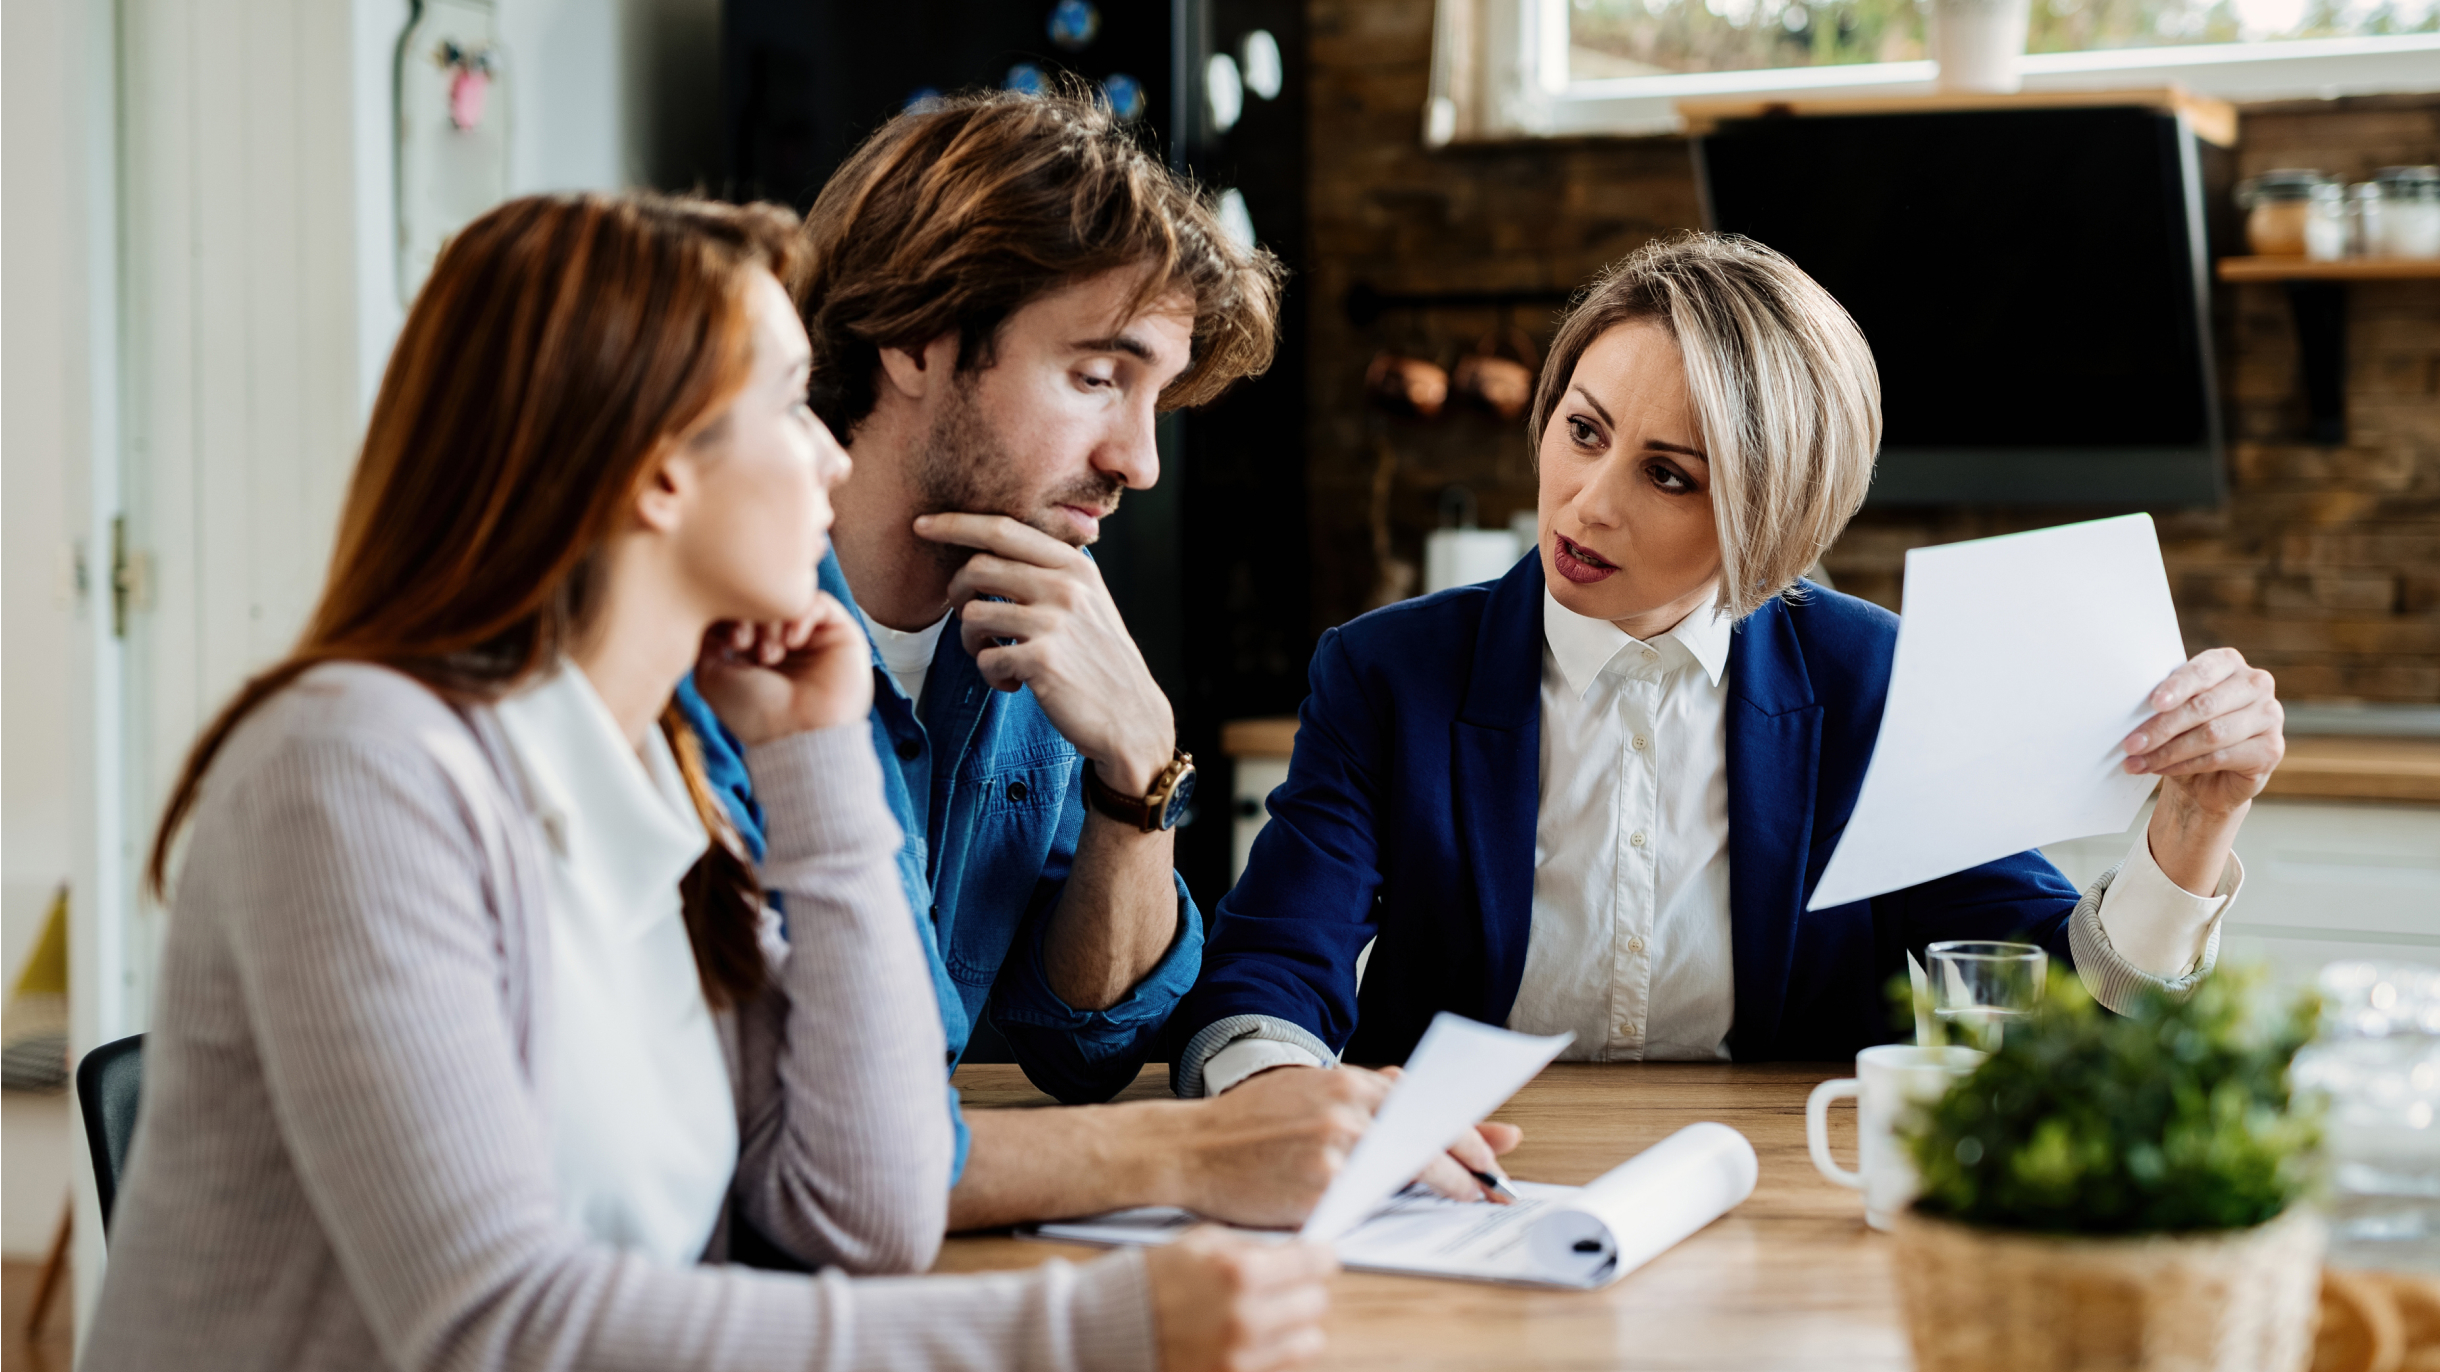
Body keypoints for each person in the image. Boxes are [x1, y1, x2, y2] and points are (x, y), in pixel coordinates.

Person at [84, 191, 1334, 1372]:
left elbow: (867, 1203)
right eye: (792, 403)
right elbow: (497, 1326)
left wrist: (820, 758)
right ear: (658, 468)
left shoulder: (665, 762)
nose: (834, 461)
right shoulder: (358, 769)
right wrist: (1075, 1331)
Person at [1166, 233, 2283, 1100]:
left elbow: (2061, 992)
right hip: (1452, 1191)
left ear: (1773, 518)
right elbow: (1264, 979)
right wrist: (1289, 1105)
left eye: (1669, 475)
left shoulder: (1870, 683)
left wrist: (2191, 831)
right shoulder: (1386, 673)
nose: (1587, 501)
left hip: (1777, 1199)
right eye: (1584, 429)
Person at [674, 87, 1518, 1232]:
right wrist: (1204, 1144)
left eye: (1156, 399)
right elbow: (809, 1136)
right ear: (916, 337)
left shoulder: (1035, 634)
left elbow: (1087, 1043)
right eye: (1095, 378)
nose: (1137, 460)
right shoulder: (706, 649)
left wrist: (1140, 774)